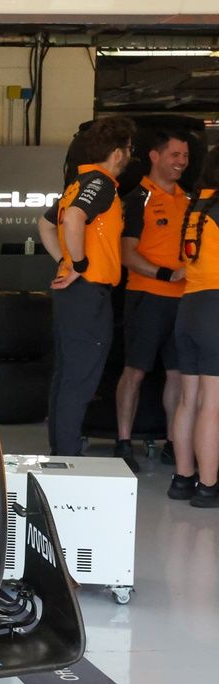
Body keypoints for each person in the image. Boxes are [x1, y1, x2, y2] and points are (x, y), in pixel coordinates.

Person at [37, 115, 136, 457]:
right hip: (88, 293)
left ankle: (61, 451)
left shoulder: (78, 183)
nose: (129, 155)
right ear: (118, 153)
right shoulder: (102, 183)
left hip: (74, 294)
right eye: (129, 148)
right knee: (79, 378)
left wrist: (64, 262)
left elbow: (46, 224)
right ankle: (67, 456)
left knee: (67, 375)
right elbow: (75, 217)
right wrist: (78, 265)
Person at [114, 131, 191, 473]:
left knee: (178, 375)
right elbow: (127, 254)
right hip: (146, 297)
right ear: (155, 156)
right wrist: (165, 274)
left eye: (185, 156)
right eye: (175, 155)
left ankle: (173, 443)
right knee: (135, 371)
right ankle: (123, 441)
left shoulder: (189, 200)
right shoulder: (137, 199)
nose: (181, 162)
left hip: (184, 301)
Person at [168, 145, 219, 506]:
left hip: (189, 307)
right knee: (212, 404)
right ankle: (208, 486)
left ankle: (183, 479)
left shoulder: (195, 208)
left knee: (188, 400)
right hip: (215, 309)